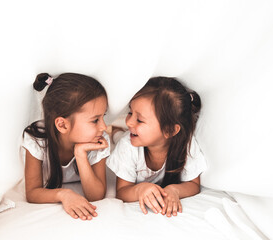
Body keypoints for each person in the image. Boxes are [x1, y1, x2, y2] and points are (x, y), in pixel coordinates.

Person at [106, 76, 207, 217]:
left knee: (124, 135)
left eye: (139, 119)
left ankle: (117, 131)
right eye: (130, 112)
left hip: (134, 138)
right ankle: (115, 130)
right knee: (119, 139)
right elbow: (122, 191)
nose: (129, 122)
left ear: (170, 130)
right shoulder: (127, 145)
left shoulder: (187, 144)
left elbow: (193, 184)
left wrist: (175, 190)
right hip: (127, 141)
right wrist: (139, 190)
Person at [22, 73, 110, 220]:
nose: (104, 127)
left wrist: (80, 154)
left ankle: (118, 133)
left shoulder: (99, 140)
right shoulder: (37, 139)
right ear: (62, 124)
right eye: (95, 120)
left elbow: (96, 196)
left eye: (103, 117)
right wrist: (63, 194)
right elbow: (32, 193)